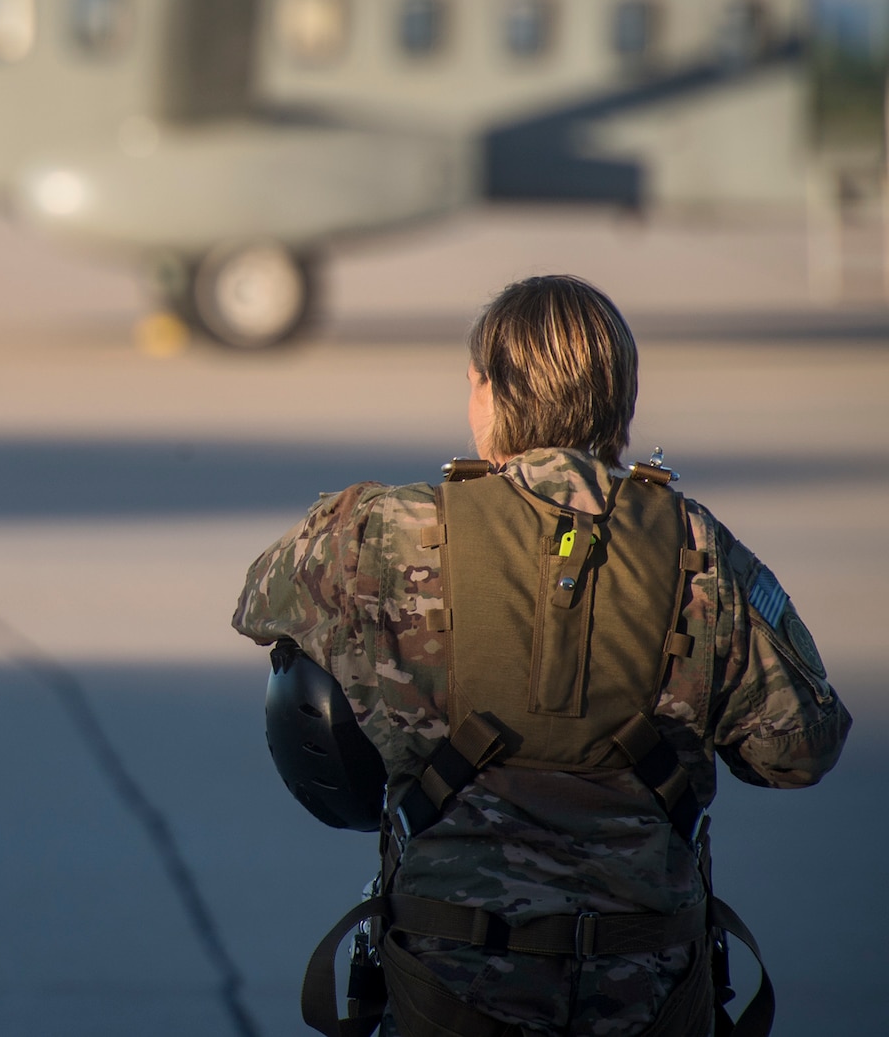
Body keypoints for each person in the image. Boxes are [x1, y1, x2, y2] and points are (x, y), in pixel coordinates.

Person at [236, 275, 850, 1037]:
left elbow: (261, 606)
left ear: (487, 390)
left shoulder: (378, 530)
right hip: (646, 994)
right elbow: (801, 747)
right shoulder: (700, 549)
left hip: (447, 983)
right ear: (620, 400)